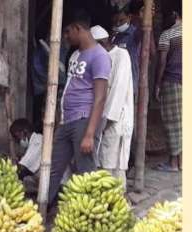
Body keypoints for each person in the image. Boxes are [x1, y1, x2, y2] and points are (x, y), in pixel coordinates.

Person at [46, 13, 111, 211]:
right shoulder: (76, 55)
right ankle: (40, 210)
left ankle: (91, 214)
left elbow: (100, 97)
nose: (65, 36)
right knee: (53, 168)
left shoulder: (100, 56)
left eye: (67, 31)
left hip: (83, 120)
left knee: (85, 173)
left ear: (78, 28)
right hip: (67, 121)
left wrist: (90, 134)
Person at [92, 26, 134, 189]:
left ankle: (116, 199)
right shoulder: (100, 57)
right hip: (102, 118)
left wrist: (105, 121)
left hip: (116, 118)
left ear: (101, 43)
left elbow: (118, 90)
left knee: (112, 163)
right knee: (104, 160)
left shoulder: (121, 56)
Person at [155, 7, 182, 172]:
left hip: (172, 81)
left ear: (174, 15)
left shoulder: (167, 34)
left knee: (172, 123)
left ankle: (173, 164)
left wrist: (157, 84)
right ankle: (182, 162)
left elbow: (162, 62)